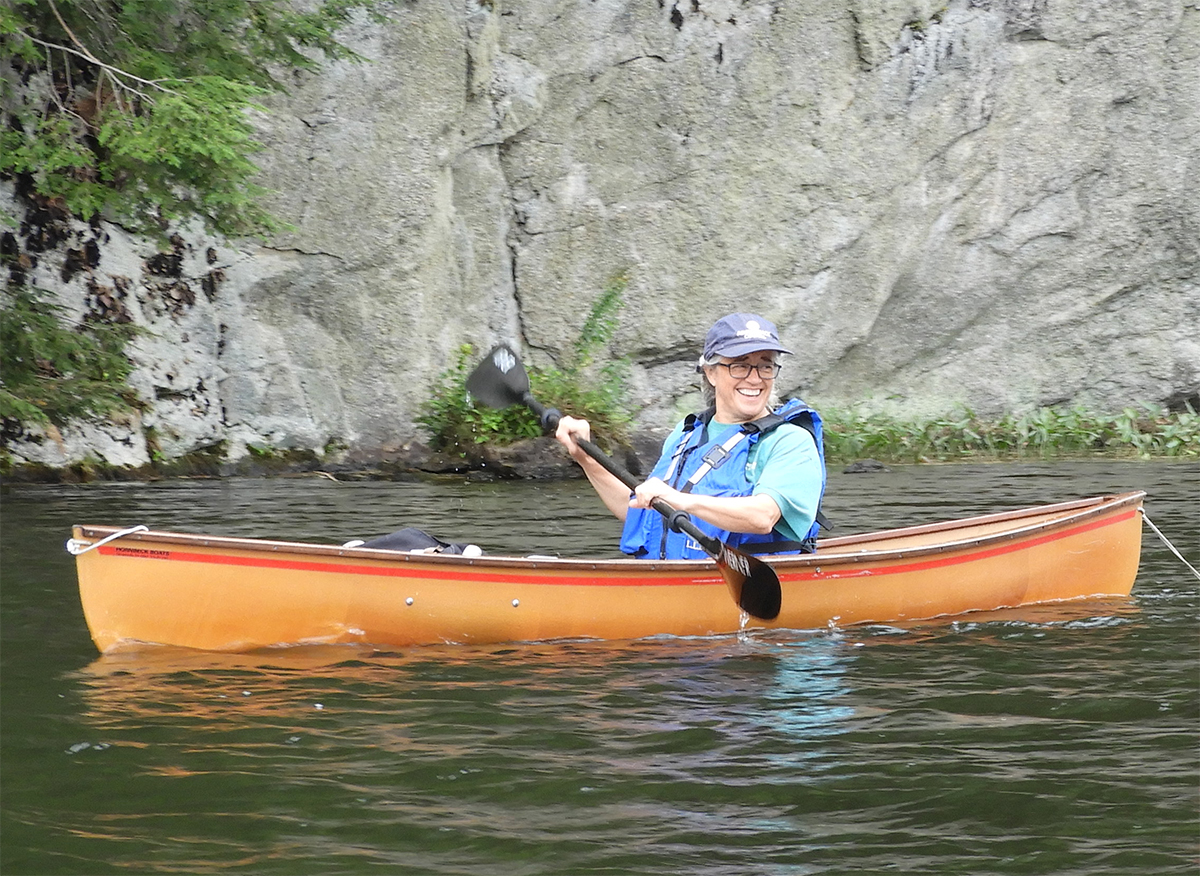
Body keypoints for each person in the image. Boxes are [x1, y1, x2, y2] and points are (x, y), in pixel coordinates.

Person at [554, 312, 826, 559]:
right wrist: (586, 458)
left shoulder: (790, 441)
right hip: (667, 580)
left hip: (753, 584)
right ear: (711, 373)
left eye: (765, 366)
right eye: (740, 365)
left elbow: (763, 516)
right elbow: (642, 512)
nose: (755, 378)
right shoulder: (685, 436)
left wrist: (681, 500)